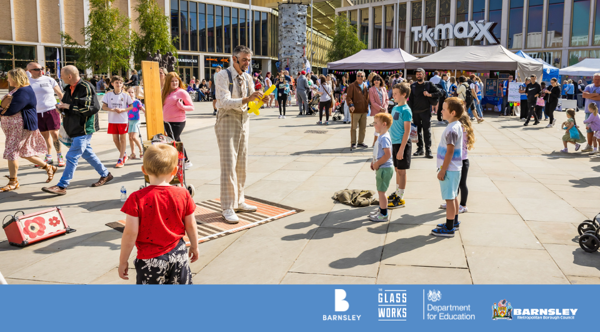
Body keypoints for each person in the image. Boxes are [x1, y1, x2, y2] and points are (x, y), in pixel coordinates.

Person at [118, 144, 199, 284]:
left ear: (143, 170)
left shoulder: (137, 198)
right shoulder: (183, 194)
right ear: (175, 171)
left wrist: (123, 261)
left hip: (150, 260)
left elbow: (130, 233)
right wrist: (194, 246)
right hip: (178, 256)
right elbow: (191, 224)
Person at [214, 45, 268, 223]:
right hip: (228, 117)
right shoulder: (222, 75)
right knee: (228, 164)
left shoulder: (247, 77)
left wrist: (262, 99)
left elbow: (252, 105)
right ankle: (227, 207)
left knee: (242, 163)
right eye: (244, 59)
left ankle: (239, 200)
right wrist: (248, 99)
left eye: (249, 60)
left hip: (244, 119)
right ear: (234, 58)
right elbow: (223, 102)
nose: (247, 63)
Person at [42, 65, 112, 195]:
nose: (60, 78)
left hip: (84, 128)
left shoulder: (86, 87)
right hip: (73, 127)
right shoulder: (68, 88)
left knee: (71, 156)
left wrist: (69, 106)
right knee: (88, 154)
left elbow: (92, 108)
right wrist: (61, 108)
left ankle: (62, 186)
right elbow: (69, 106)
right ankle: (106, 174)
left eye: (61, 76)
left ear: (70, 76)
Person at [0, 68, 57, 192]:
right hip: (16, 128)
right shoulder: (19, 89)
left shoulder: (24, 91)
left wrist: (1, 110)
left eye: (9, 77)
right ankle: (49, 167)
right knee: (25, 152)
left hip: (21, 127)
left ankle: (13, 181)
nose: (8, 80)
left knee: (12, 152)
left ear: (16, 78)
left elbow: (11, 109)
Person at [431, 97, 464, 237]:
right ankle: (454, 221)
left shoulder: (451, 129)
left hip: (449, 170)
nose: (441, 111)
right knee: (454, 195)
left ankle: (449, 227)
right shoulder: (455, 125)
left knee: (449, 199)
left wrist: (443, 169)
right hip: (454, 169)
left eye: (444, 109)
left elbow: (450, 151)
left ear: (453, 112)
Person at [27, 62, 65, 167]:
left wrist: (64, 108)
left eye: (41, 68)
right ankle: (48, 156)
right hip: (36, 112)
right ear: (30, 71)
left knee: (55, 134)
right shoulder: (27, 82)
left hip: (51, 110)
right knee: (44, 136)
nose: (40, 70)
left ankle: (59, 156)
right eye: (37, 69)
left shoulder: (49, 80)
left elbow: (60, 94)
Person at [441, 113, 474, 214]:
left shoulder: (461, 130)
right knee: (454, 184)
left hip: (462, 160)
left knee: (462, 184)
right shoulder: (461, 129)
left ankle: (463, 205)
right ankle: (452, 202)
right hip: (457, 160)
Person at [386, 83, 412, 209]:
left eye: (396, 93)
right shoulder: (395, 108)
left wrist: (401, 149)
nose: (393, 95)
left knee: (402, 171)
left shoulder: (406, 110)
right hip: (394, 143)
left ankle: (400, 197)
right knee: (397, 169)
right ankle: (397, 192)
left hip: (403, 144)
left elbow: (407, 131)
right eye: (393, 93)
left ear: (404, 95)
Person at [162, 72, 194, 169]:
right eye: (172, 81)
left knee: (172, 140)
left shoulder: (182, 92)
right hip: (166, 121)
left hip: (178, 121)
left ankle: (177, 161)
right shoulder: (164, 92)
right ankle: (185, 161)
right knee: (176, 140)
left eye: (176, 81)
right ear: (168, 82)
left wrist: (182, 106)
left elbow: (192, 107)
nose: (175, 83)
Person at [408, 68, 441, 159]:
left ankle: (428, 150)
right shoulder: (413, 86)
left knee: (427, 131)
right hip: (415, 112)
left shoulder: (429, 84)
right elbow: (410, 100)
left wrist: (430, 95)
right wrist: (410, 112)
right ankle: (420, 149)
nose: (418, 75)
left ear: (424, 75)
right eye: (417, 74)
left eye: (420, 74)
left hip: (426, 112)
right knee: (417, 132)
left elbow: (440, 93)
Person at [368, 112, 394, 222]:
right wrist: (373, 161)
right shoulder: (381, 136)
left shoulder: (384, 138)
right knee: (380, 191)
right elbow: (378, 152)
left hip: (384, 168)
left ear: (384, 124)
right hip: (382, 168)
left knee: (382, 192)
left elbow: (387, 155)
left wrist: (377, 163)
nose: (374, 125)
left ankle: (384, 214)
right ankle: (381, 209)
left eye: (376, 123)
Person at [102, 76, 134, 168]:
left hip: (123, 120)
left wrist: (123, 110)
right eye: (116, 82)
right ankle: (124, 154)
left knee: (123, 139)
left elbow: (131, 106)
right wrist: (112, 109)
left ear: (122, 84)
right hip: (112, 120)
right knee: (115, 140)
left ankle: (120, 159)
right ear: (112, 84)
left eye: (120, 82)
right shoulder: (108, 94)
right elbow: (104, 107)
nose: (118, 84)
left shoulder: (125, 95)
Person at [347, 70, 370, 149]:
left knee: (363, 128)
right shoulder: (352, 85)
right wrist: (351, 104)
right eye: (358, 76)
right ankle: (353, 143)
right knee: (354, 127)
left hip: (363, 110)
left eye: (361, 76)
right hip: (355, 110)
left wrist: (367, 108)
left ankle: (360, 142)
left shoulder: (365, 86)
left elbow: (367, 98)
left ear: (364, 78)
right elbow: (348, 97)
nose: (360, 77)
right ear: (356, 77)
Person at [581, 73, 600, 152]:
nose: (597, 81)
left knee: (598, 131)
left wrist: (589, 95)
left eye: (598, 79)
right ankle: (589, 146)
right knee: (589, 130)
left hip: (598, 113)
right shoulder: (588, 86)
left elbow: (599, 97)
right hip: (588, 112)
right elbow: (584, 95)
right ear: (593, 79)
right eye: (595, 79)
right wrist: (595, 94)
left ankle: (599, 147)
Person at [369, 74, 389, 145]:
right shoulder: (371, 89)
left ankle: (382, 141)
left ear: (380, 81)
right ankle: (375, 142)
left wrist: (385, 108)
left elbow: (387, 99)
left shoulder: (384, 88)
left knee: (384, 126)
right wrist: (380, 108)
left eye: (378, 79)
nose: (376, 81)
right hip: (376, 110)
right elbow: (372, 101)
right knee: (377, 126)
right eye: (375, 80)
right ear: (373, 81)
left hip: (384, 110)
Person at [126, 87, 145, 159]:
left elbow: (143, 109)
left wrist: (146, 114)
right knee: (130, 138)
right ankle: (133, 153)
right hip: (129, 121)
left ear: (135, 93)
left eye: (132, 92)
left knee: (134, 137)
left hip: (136, 120)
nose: (130, 94)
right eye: (129, 92)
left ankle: (141, 150)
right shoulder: (126, 102)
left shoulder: (137, 102)